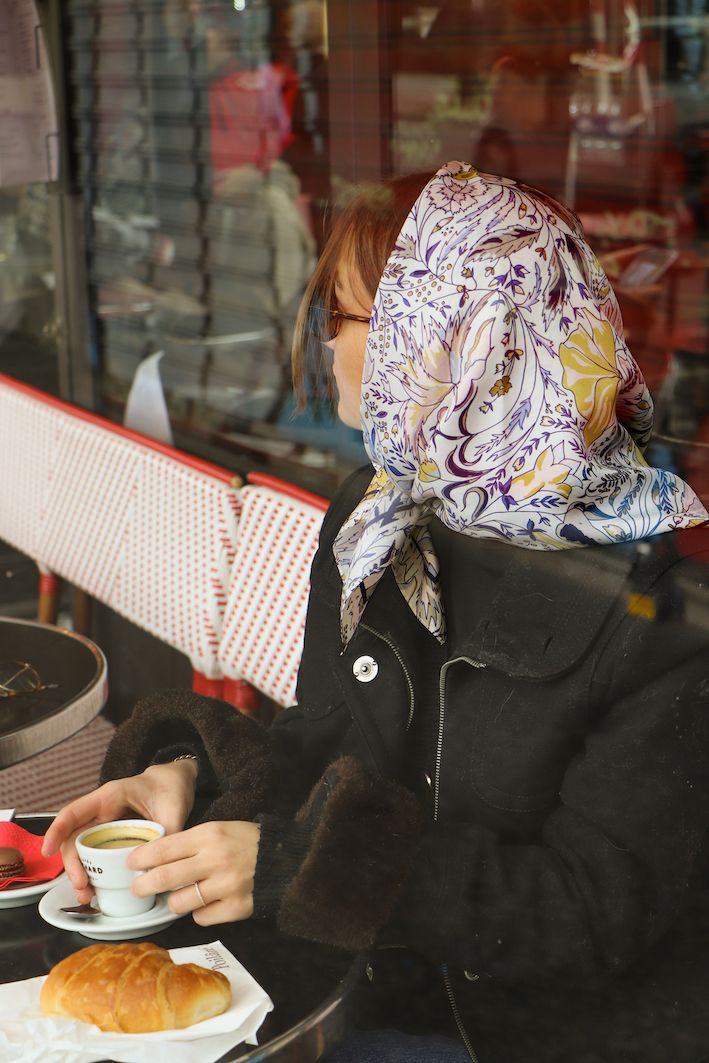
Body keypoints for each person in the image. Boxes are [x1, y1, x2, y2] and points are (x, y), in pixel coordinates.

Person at [44, 163, 709, 1063]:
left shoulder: (657, 614)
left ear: (459, 341)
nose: (324, 349)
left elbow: (589, 911)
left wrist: (303, 867)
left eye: (349, 320)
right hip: (356, 990)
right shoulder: (382, 516)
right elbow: (326, 757)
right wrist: (190, 783)